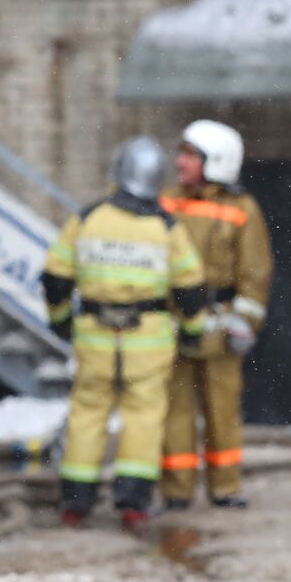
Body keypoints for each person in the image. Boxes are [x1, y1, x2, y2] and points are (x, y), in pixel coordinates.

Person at [43, 136, 208, 533]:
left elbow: (55, 278)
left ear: (118, 173)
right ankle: (132, 504)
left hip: (95, 337)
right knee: (143, 418)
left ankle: (75, 502)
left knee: (87, 414)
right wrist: (192, 331)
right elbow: (191, 288)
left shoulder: (88, 219)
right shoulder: (166, 227)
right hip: (147, 341)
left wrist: (62, 318)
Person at [158, 120, 273, 511]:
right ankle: (177, 490)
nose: (180, 162)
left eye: (190, 155)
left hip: (221, 329)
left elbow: (255, 271)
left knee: (223, 410)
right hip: (173, 325)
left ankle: (225, 487)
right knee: (174, 412)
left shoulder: (242, 210)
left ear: (216, 161)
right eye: (182, 153)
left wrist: (246, 320)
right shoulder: (166, 202)